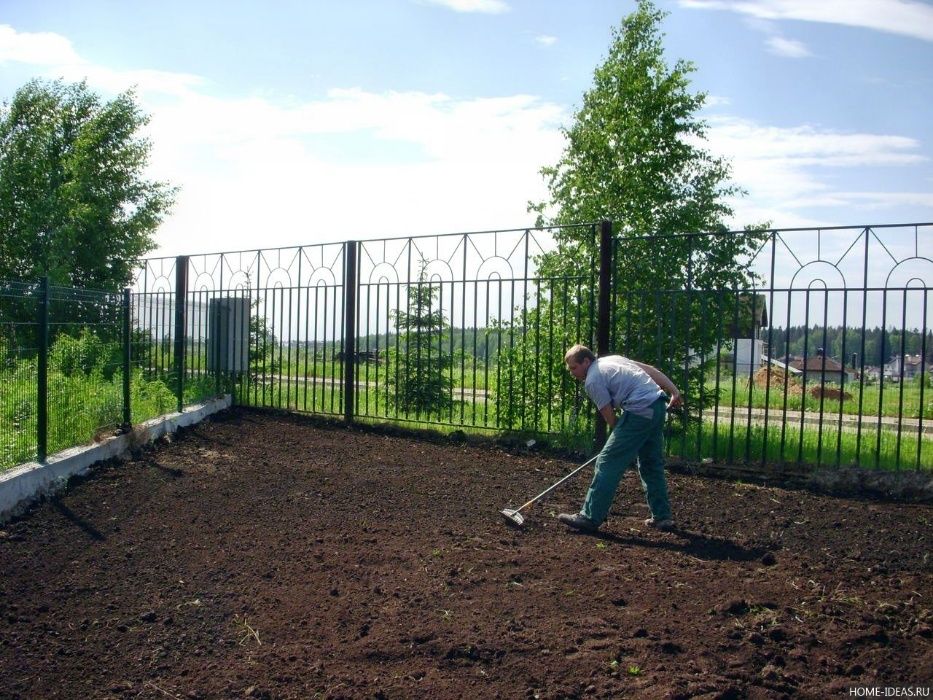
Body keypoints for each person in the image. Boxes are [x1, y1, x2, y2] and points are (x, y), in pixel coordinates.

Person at [558, 344, 682, 533]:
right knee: (651, 463)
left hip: (640, 410)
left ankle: (590, 517)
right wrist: (674, 391)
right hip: (657, 406)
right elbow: (651, 371)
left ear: (586, 361)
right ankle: (662, 517)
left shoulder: (592, 379)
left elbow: (610, 418)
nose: (572, 373)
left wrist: (622, 437)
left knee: (607, 461)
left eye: (574, 368)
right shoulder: (614, 359)